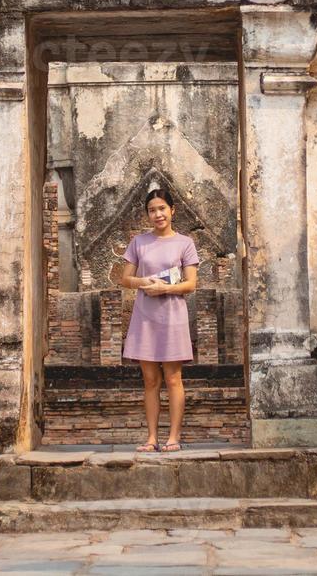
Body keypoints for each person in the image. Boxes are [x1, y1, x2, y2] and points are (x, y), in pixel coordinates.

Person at [117, 188, 199, 453]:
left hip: (173, 316)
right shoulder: (139, 242)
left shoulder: (185, 243)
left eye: (162, 208)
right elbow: (125, 278)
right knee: (150, 380)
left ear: (172, 210)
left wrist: (163, 288)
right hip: (145, 316)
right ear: (148, 214)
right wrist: (144, 282)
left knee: (173, 378)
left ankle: (173, 436)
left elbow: (191, 284)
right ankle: (152, 437)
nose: (158, 214)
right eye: (152, 210)